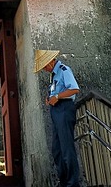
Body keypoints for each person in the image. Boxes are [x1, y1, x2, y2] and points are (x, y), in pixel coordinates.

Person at [34, 49, 80, 187]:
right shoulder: (53, 76)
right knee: (57, 149)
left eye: (45, 66)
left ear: (51, 61)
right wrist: (50, 98)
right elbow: (56, 91)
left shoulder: (64, 70)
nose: (45, 69)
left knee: (67, 148)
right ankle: (64, 181)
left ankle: (73, 183)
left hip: (65, 109)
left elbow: (74, 89)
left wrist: (58, 97)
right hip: (56, 110)